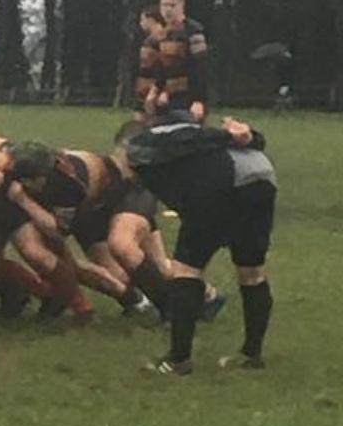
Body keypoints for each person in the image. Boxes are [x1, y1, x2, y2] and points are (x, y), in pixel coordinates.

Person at [114, 112, 276, 375]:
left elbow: (184, 137)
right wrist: (246, 135)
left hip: (222, 180)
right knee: (252, 270)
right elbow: (247, 140)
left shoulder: (143, 142)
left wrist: (227, 135)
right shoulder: (190, 150)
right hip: (261, 175)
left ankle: (178, 360)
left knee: (186, 270)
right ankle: (252, 355)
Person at [157, 0, 209, 121]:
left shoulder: (193, 31)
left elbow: (201, 67)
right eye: (164, 5)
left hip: (189, 97)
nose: (168, 10)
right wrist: (162, 90)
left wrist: (199, 100)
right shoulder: (163, 34)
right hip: (169, 98)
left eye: (172, 5)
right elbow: (164, 67)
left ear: (182, 6)